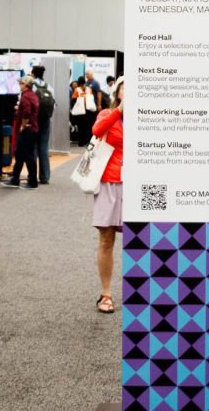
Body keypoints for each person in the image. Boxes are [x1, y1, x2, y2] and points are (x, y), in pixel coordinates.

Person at [91, 77, 124, 313]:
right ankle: (106, 294)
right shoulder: (107, 114)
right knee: (106, 239)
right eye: (127, 87)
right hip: (109, 181)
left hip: (142, 186)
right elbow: (96, 130)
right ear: (118, 92)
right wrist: (119, 112)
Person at [3, 75, 39, 189]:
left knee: (27, 155)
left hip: (27, 129)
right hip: (32, 128)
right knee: (21, 154)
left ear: (26, 85)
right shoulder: (33, 95)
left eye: (21, 83)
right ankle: (15, 178)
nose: (19, 85)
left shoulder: (25, 97)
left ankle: (32, 181)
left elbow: (27, 112)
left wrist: (23, 125)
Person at [31, 65, 54, 184]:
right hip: (46, 120)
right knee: (43, 148)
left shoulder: (31, 86)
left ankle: (33, 176)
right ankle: (44, 177)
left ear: (32, 74)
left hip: (34, 120)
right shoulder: (48, 86)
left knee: (33, 147)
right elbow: (53, 104)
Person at [71, 77, 93, 147]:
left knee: (81, 126)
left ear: (79, 82)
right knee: (88, 126)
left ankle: (81, 142)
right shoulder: (89, 89)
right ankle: (88, 141)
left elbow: (73, 100)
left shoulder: (77, 90)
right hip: (88, 110)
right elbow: (91, 98)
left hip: (80, 111)